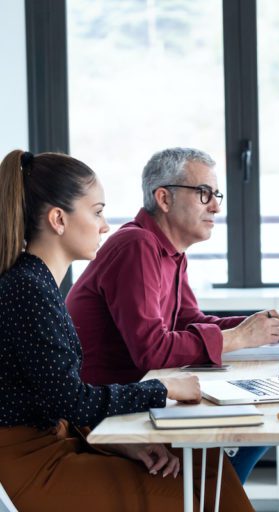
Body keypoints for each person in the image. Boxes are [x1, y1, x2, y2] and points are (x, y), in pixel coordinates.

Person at [0, 149, 252, 511]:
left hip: (62, 438)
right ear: (58, 219)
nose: (105, 225)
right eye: (97, 211)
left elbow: (60, 400)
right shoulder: (28, 289)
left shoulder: (37, 284)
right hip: (33, 463)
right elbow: (72, 399)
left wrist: (116, 442)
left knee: (209, 467)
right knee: (191, 499)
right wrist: (159, 390)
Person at [65, 147, 279, 483]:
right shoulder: (137, 245)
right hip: (105, 412)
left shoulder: (170, 252)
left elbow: (189, 321)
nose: (217, 207)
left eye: (216, 195)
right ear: (163, 198)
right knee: (249, 430)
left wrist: (256, 326)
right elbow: (152, 349)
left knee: (255, 427)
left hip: (137, 398)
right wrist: (238, 338)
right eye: (204, 193)